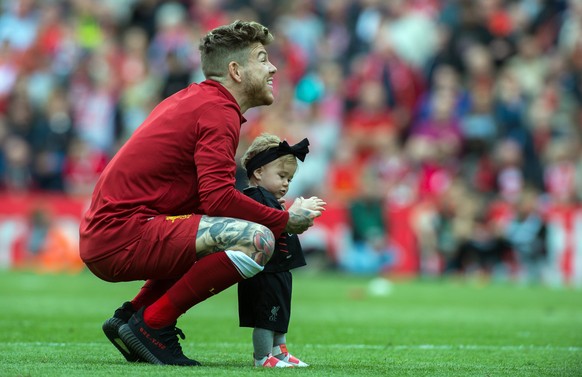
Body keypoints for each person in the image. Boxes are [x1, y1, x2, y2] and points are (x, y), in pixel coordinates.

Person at [78, 20, 326, 367]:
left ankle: (133, 316)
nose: (272, 67)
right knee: (258, 240)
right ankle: (153, 324)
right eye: (262, 58)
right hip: (121, 234)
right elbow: (218, 200)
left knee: (217, 229)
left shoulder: (199, 101)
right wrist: (284, 220)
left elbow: (208, 202)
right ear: (236, 70)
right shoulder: (217, 111)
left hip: (115, 231)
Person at [237, 133, 311, 368]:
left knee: (278, 316)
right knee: (267, 317)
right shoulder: (256, 197)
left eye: (289, 179)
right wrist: (295, 212)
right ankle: (262, 357)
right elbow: (273, 223)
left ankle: (279, 353)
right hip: (265, 271)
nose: (286, 183)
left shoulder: (267, 198)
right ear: (258, 173)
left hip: (278, 268)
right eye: (281, 176)